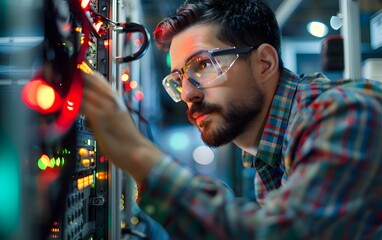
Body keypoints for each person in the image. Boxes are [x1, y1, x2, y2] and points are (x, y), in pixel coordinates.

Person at [81, 0, 382, 239]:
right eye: (177, 78)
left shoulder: (346, 113)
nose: (187, 93)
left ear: (264, 62)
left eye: (202, 65)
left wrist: (136, 153)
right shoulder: (267, 158)